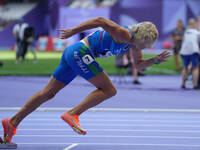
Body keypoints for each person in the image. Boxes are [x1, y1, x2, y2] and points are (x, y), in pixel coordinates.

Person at [2, 17, 170, 143]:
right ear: (141, 37)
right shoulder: (125, 34)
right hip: (81, 52)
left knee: (47, 94)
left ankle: (13, 121)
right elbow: (100, 20)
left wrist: (155, 60)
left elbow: (138, 66)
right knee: (109, 90)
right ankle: (73, 114)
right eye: (145, 44)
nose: (144, 48)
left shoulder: (133, 44)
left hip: (73, 53)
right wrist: (73, 31)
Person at [180, 18, 200, 89]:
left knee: (185, 67)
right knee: (195, 68)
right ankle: (195, 85)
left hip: (184, 51)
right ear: (195, 24)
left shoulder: (186, 32)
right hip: (193, 51)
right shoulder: (197, 33)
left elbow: (183, 42)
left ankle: (183, 84)